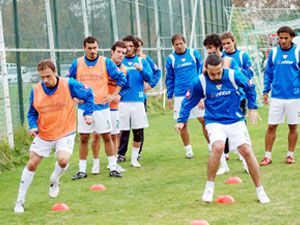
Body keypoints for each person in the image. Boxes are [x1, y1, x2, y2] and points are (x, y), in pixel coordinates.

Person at [175, 53, 270, 204]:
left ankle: (260, 190)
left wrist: (252, 108)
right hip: (214, 121)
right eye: (213, 74)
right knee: (218, 147)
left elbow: (250, 87)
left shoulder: (233, 75)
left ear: (222, 67)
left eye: (219, 72)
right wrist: (181, 120)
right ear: (205, 68)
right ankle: (209, 187)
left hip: (235, 119)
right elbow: (188, 101)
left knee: (246, 150)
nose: (217, 76)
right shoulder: (199, 81)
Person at [14, 60, 94, 213]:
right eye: (42, 77)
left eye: (48, 76)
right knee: (32, 164)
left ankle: (55, 179)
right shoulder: (36, 90)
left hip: (65, 132)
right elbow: (32, 112)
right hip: (44, 133)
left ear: (55, 72)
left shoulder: (69, 84)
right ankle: (20, 201)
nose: (45, 80)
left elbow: (89, 94)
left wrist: (88, 113)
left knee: (63, 160)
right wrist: (33, 126)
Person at [69, 36, 127, 179]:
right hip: (84, 108)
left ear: (98, 47)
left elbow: (121, 78)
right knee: (83, 138)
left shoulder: (106, 62)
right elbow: (68, 83)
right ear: (84, 48)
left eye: (95, 48)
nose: (93, 51)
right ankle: (82, 170)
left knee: (107, 137)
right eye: (89, 48)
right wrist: (75, 97)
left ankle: (113, 168)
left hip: (102, 107)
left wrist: (114, 94)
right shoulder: (77, 63)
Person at [203, 33, 249, 175]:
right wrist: (200, 99)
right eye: (206, 48)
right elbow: (202, 82)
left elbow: (239, 79)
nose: (208, 51)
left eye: (210, 48)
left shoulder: (230, 60)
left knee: (240, 135)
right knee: (217, 137)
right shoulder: (207, 63)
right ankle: (223, 165)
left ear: (218, 47)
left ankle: (245, 162)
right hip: (215, 103)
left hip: (234, 102)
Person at [260, 26, 300, 166]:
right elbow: (268, 73)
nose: (282, 41)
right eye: (280, 38)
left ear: (291, 38)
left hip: (294, 97)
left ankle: (290, 155)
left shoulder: (297, 52)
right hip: (276, 96)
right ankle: (267, 156)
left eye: (285, 38)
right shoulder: (274, 52)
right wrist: (265, 91)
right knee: (271, 126)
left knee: (293, 126)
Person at [117, 36, 161, 162]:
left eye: (131, 46)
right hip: (122, 101)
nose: (128, 49)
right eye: (126, 46)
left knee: (138, 129)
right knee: (123, 129)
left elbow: (150, 77)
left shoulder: (142, 61)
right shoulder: (119, 62)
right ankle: (121, 153)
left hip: (138, 100)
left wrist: (141, 70)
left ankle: (137, 154)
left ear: (135, 47)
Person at [165, 33, 205, 159]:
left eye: (181, 43)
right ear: (173, 45)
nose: (179, 46)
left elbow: (201, 72)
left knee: (204, 120)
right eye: (176, 44)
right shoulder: (170, 59)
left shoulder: (194, 54)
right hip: (180, 95)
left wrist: (201, 92)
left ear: (185, 43)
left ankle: (211, 147)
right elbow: (169, 78)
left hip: (196, 93)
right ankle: (188, 150)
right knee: (183, 123)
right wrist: (170, 96)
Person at [108, 40, 129, 172]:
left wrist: (120, 94)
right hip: (101, 105)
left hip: (114, 105)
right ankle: (95, 164)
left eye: (123, 53)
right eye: (118, 52)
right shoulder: (104, 64)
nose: (121, 55)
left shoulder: (124, 69)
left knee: (115, 134)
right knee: (98, 136)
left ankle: (113, 162)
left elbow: (126, 86)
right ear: (112, 52)